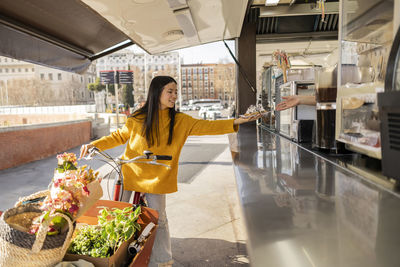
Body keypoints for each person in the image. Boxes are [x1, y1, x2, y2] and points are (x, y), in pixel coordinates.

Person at [79, 76, 260, 267]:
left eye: (176, 92)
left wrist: (240, 120)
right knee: (118, 216)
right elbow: (119, 136)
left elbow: (209, 126)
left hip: (157, 177)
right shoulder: (137, 118)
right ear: (157, 93)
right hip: (130, 171)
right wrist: (94, 145)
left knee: (160, 219)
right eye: (170, 91)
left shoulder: (181, 121)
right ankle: (114, 256)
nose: (174, 95)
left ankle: (163, 260)